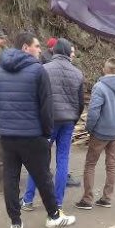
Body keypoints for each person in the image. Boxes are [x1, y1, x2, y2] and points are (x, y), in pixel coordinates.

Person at [0, 31, 75, 228]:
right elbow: (46, 108)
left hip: (8, 136)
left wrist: (2, 126)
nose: (40, 50)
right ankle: (54, 216)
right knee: (43, 176)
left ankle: (15, 223)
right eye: (36, 46)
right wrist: (46, 133)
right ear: (25, 48)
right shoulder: (37, 71)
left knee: (10, 178)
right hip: (32, 134)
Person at [21, 38, 84, 210]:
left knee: (39, 160)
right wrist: (73, 118)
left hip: (47, 122)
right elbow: (80, 103)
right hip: (68, 122)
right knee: (63, 160)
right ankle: (57, 203)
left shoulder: (43, 69)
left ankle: (28, 200)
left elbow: (35, 97)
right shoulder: (78, 74)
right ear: (67, 53)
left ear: (54, 52)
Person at [75, 57, 115, 210]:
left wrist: (90, 128)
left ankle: (87, 199)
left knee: (90, 164)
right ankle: (107, 198)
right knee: (112, 165)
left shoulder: (100, 87)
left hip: (100, 132)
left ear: (105, 69)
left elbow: (94, 111)